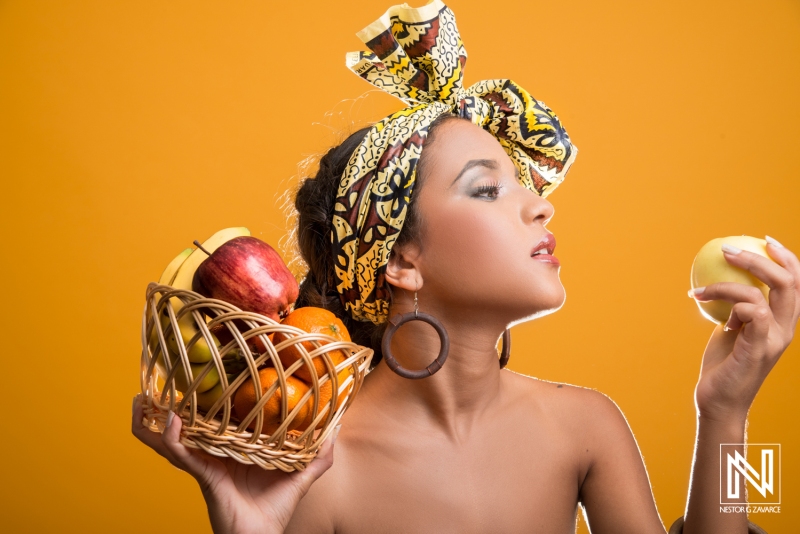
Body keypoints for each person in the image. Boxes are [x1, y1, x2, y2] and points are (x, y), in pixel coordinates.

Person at [132, 1, 798, 532]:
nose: (540, 207)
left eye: (525, 184)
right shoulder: (315, 464)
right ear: (400, 260)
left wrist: (727, 415)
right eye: (487, 188)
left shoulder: (587, 427)